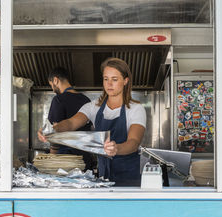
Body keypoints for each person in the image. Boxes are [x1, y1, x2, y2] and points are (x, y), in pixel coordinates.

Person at [40, 58, 146, 186]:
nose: (109, 84)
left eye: (114, 79)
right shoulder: (93, 107)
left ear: (125, 81)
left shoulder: (135, 109)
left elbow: (134, 142)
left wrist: (116, 148)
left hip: (129, 179)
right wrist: (52, 130)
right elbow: (71, 123)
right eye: (106, 79)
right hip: (103, 178)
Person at [38, 67, 95, 170]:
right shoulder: (86, 100)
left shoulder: (58, 100)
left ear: (55, 80)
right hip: (85, 159)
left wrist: (52, 158)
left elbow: (54, 134)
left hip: (66, 160)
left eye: (51, 85)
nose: (52, 89)